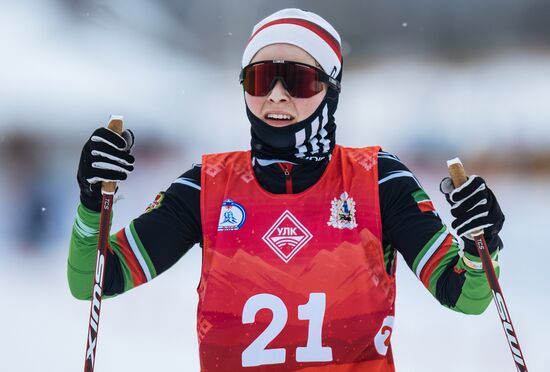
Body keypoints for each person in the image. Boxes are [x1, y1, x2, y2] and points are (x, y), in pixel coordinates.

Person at [68, 8, 505, 371]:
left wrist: (479, 242)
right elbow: (91, 282)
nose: (276, 96)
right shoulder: (206, 187)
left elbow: (464, 295)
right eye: (260, 79)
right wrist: (92, 202)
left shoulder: (377, 179)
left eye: (296, 80)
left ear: (330, 90)